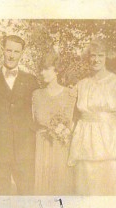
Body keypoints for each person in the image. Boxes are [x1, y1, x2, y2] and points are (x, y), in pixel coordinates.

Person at [68, 39, 116, 195]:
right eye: (92, 55)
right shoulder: (82, 84)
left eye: (100, 55)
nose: (96, 59)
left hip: (110, 144)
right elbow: (70, 115)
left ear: (107, 57)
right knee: (87, 189)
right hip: (84, 142)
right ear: (88, 57)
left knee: (112, 186)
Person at [0, 35, 39, 195]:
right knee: (0, 199)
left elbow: (41, 110)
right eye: (8, 50)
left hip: (25, 151)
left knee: (27, 199)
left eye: (16, 51)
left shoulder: (31, 81)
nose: (12, 55)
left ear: (22, 54)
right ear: (3, 50)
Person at [32, 50, 77, 195]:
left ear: (56, 70)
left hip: (61, 147)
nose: (42, 72)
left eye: (46, 68)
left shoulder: (69, 94)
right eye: (41, 69)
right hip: (42, 147)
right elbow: (34, 121)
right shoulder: (36, 95)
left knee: (61, 187)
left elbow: (70, 123)